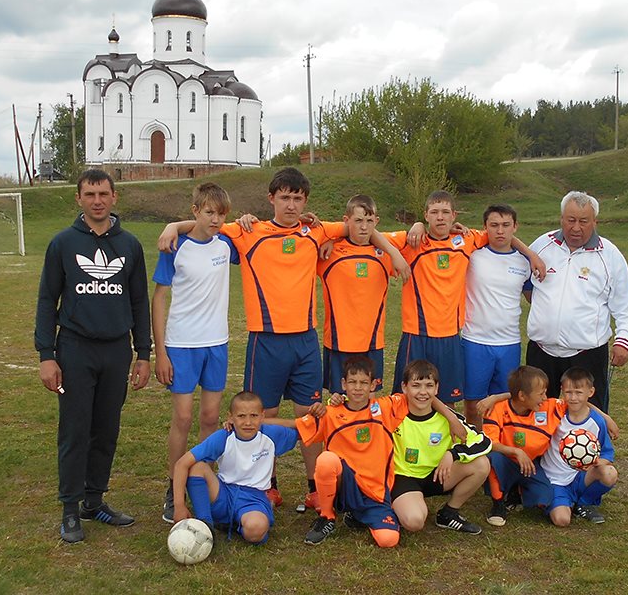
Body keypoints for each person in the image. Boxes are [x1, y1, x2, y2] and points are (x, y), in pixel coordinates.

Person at [158, 167, 410, 512]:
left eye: (297, 198)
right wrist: (174, 226)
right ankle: (268, 486)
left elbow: (358, 226)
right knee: (263, 415)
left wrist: (393, 253)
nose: (291, 205)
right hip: (266, 341)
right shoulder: (250, 231)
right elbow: (207, 223)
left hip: (305, 341)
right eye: (285, 197)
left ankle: (314, 488)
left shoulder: (315, 230)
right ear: (271, 199)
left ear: (305, 201)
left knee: (310, 415)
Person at [35, 168, 150, 544]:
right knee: (75, 430)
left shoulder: (130, 245)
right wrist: (46, 355)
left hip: (116, 350)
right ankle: (70, 509)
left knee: (106, 429)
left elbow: (138, 302)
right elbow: (47, 300)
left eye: (103, 194)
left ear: (114, 197)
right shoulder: (63, 243)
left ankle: (94, 500)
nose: (97, 201)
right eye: (90, 194)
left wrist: (143, 353)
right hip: (75, 349)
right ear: (79, 199)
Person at [389, 190, 543, 405]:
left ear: (454, 215)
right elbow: (373, 236)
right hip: (416, 333)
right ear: (426, 215)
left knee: (448, 398)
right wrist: (416, 227)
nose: (440, 217)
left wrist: (531, 254)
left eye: (445, 212)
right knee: (406, 396)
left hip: (451, 334)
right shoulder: (413, 242)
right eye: (434, 212)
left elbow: (501, 234)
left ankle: (446, 438)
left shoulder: (466, 240)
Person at [295, 356, 467, 547]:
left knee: (388, 540)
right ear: (343, 384)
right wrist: (260, 424)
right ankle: (327, 517)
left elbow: (422, 395)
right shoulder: (331, 411)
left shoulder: (387, 407)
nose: (358, 388)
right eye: (352, 382)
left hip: (376, 491)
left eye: (363, 383)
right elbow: (297, 429)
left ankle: (358, 515)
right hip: (347, 482)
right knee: (326, 460)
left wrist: (452, 418)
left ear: (374, 385)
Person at [151, 182, 239, 524]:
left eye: (220, 214)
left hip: (216, 342)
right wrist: (160, 352)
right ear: (195, 211)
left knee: (210, 418)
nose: (215, 220)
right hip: (182, 344)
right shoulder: (175, 246)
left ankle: (201, 482)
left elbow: (245, 229)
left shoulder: (227, 244)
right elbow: (159, 299)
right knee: (184, 418)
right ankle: (173, 486)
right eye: (208, 212)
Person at [525, 190, 628, 412]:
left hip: (587, 353)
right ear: (561, 219)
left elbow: (626, 305)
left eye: (583, 221)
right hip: (541, 350)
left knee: (586, 417)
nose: (575, 228)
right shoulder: (542, 244)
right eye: (570, 220)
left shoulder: (609, 255)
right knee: (536, 415)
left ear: (594, 222)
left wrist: (624, 341)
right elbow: (522, 279)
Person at [171, 391, 324, 544]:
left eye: (254, 416)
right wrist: (179, 506)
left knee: (255, 530)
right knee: (197, 467)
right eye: (241, 416)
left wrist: (290, 421)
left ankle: (242, 522)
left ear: (263, 416)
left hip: (254, 498)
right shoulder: (224, 436)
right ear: (230, 417)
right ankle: (206, 526)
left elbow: (307, 428)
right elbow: (181, 464)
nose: (248, 422)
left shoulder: (270, 435)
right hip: (223, 493)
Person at [391, 360, 491, 535]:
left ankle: (449, 513)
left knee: (482, 464)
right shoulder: (392, 411)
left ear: (436, 389)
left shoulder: (449, 419)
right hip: (404, 477)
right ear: (404, 387)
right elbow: (362, 406)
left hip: (438, 475)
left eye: (429, 386)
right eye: (416, 385)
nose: (423, 392)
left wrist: (452, 454)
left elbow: (483, 442)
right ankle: (395, 505)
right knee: (414, 521)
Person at [461, 204, 532, 430]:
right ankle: (474, 448)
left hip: (509, 343)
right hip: (475, 341)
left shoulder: (524, 262)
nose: (500, 231)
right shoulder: (472, 255)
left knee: (504, 403)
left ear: (515, 227)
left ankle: (497, 453)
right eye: (494, 225)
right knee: (473, 404)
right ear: (485, 228)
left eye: (505, 225)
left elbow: (535, 300)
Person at [317, 194, 393, 395]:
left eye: (369, 221)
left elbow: (419, 233)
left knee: (369, 398)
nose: (364, 227)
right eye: (358, 220)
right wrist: (334, 238)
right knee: (338, 400)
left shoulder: (385, 250)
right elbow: (308, 230)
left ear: (376, 222)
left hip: (372, 342)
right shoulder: (328, 253)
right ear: (346, 221)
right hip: (338, 341)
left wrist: (419, 224)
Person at [482, 366, 562, 527]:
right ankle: (498, 504)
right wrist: (516, 451)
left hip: (531, 464)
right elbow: (489, 443)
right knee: (491, 458)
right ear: (522, 396)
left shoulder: (548, 406)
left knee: (543, 500)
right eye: (540, 394)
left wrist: (605, 418)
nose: (545, 397)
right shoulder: (497, 409)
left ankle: (516, 491)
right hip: (506, 461)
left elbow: (577, 403)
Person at [542, 367, 618, 526]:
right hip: (555, 479)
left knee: (609, 473)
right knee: (562, 520)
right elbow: (528, 397)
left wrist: (594, 463)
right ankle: (559, 500)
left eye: (578, 392)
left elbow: (606, 455)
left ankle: (584, 503)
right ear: (562, 391)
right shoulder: (554, 413)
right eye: (568, 392)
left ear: (590, 392)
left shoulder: (596, 422)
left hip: (581, 477)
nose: (573, 398)